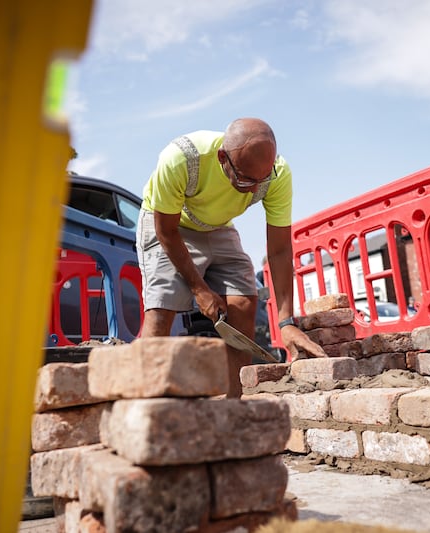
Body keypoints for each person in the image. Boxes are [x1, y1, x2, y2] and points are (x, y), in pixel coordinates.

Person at [136, 118, 327, 397]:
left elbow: (279, 251)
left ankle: (234, 407)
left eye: (260, 181)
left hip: (217, 226)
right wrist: (199, 288)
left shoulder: (276, 174)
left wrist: (286, 322)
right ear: (222, 157)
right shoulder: (181, 158)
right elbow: (166, 231)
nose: (253, 189)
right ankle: (143, 406)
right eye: (245, 180)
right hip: (170, 225)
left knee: (243, 302)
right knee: (161, 307)